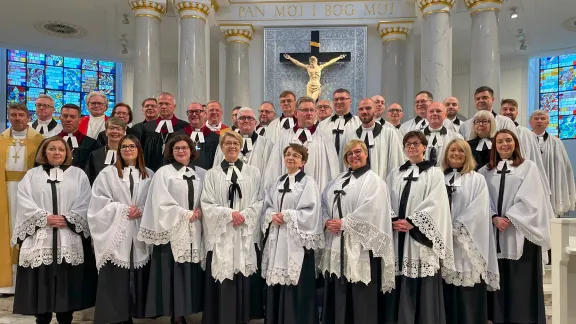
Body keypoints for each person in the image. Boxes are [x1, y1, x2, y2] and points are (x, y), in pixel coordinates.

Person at [11, 136, 96, 323]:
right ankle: (42, 317)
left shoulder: (78, 174)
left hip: (69, 236)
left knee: (67, 283)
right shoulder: (32, 175)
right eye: (52, 149)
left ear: (67, 153)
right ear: (44, 152)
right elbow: (23, 201)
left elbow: (85, 200)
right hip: (41, 236)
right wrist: (44, 217)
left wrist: (68, 218)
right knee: (42, 282)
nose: (57, 152)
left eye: (61, 149)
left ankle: (66, 317)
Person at [478, 129, 552, 324]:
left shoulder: (528, 167)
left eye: (508, 140)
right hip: (494, 231)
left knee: (520, 280)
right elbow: (480, 198)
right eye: (500, 141)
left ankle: (522, 318)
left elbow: (533, 197)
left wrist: (509, 217)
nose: (504, 144)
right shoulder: (485, 171)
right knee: (498, 276)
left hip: (520, 230)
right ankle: (498, 317)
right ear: (494, 146)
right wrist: (494, 217)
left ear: (515, 143)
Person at [320, 139, 396, 324]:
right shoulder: (337, 180)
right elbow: (323, 202)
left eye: (357, 152)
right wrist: (326, 220)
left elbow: (372, 211)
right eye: (349, 154)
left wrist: (344, 223)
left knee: (360, 295)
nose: (354, 156)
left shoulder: (374, 182)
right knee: (338, 292)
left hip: (361, 248)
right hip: (337, 242)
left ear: (366, 153)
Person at [385, 131, 454, 324]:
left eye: (416, 143)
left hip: (419, 237)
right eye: (408, 144)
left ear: (424, 147)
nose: (412, 147)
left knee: (421, 282)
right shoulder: (395, 173)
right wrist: (393, 218)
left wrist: (412, 222)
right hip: (398, 234)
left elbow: (436, 203)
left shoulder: (434, 173)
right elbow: (386, 198)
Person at [138, 134, 205, 322]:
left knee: (191, 271)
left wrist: (202, 210)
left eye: (184, 148)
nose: (181, 151)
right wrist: (184, 213)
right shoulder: (164, 173)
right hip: (173, 229)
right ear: (171, 152)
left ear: (191, 151)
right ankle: (175, 314)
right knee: (174, 272)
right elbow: (160, 202)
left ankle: (187, 310)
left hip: (196, 229)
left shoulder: (201, 173)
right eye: (177, 149)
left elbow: (207, 198)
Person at [88, 135, 154, 324]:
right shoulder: (107, 174)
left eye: (132, 146)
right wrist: (124, 210)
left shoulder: (149, 174)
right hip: (116, 231)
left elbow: (155, 200)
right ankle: (114, 316)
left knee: (140, 273)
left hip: (140, 229)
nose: (127, 149)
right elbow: (98, 202)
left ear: (139, 149)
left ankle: (134, 313)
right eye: (124, 146)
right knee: (115, 275)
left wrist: (141, 210)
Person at [201, 131, 265, 324]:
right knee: (223, 270)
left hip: (244, 230)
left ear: (240, 146)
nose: (231, 146)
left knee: (243, 270)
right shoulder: (212, 174)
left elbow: (260, 199)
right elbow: (207, 202)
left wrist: (244, 215)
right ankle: (220, 316)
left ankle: (242, 316)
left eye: (235, 143)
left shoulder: (253, 172)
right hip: (222, 233)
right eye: (227, 143)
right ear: (221, 147)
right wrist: (229, 214)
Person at [261, 143, 324, 324]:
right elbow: (267, 206)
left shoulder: (308, 182)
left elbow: (312, 212)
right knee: (277, 282)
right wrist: (272, 215)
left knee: (297, 283)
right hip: (277, 239)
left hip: (296, 242)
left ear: (303, 161)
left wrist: (288, 215)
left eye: (295, 155)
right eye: (288, 154)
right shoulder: (278, 182)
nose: (290, 158)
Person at [441, 139, 499, 324]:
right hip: (443, 243)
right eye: (452, 150)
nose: (456, 154)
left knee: (467, 289)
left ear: (467, 155)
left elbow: (479, 210)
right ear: (446, 154)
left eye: (461, 151)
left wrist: (456, 228)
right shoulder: (438, 177)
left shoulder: (476, 179)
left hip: (466, 243)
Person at [0, 103, 44, 295]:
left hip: (29, 193)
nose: (17, 118)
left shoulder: (39, 140)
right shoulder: (1, 139)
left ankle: (26, 283)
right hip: (4, 190)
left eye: (21, 115)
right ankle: (6, 284)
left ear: (28, 117)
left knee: (27, 232)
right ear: (8, 117)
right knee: (5, 233)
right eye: (13, 115)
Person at [265, 96, 340, 191]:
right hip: (287, 194)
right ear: (296, 113)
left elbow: (333, 171)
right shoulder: (283, 137)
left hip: (316, 193)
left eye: (312, 110)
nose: (309, 113)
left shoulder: (325, 139)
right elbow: (274, 167)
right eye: (305, 110)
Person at [500, 99, 551, 199]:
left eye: (512, 109)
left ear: (517, 112)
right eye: (505, 109)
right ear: (500, 111)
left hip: (522, 180)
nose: (508, 112)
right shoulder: (494, 130)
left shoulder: (526, 133)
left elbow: (535, 159)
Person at [342, 98, 404, 177]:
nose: (364, 112)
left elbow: (396, 163)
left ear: (375, 111)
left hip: (382, 185)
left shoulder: (389, 133)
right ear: (358, 112)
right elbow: (347, 166)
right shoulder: (351, 137)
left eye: (368, 108)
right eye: (361, 109)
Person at [530, 110, 576, 216]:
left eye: (543, 118)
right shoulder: (524, 140)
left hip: (551, 182)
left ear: (547, 122)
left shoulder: (556, 142)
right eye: (536, 118)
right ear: (530, 122)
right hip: (531, 181)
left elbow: (564, 166)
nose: (539, 121)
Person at [213, 107, 273, 173]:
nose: (246, 121)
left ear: (255, 122)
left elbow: (270, 171)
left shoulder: (267, 144)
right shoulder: (225, 142)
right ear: (237, 122)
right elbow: (217, 166)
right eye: (242, 118)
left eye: (250, 118)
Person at [140, 92, 189, 171]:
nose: (163, 106)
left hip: (176, 169)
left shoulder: (184, 126)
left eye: (167, 104)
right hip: (151, 168)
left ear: (174, 106)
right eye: (160, 104)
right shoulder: (148, 126)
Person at [56, 104, 101, 169]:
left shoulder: (92, 144)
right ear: (60, 118)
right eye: (65, 116)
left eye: (72, 117)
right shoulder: (50, 142)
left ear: (80, 119)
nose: (68, 119)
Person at [318, 88, 361, 156]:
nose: (338, 102)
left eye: (342, 99)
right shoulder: (322, 125)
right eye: (336, 99)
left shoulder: (359, 123)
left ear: (350, 101)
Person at [178, 102, 220, 170]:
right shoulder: (178, 136)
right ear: (187, 114)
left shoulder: (215, 138)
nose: (194, 114)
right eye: (191, 112)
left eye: (198, 111)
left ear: (205, 114)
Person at [85, 117, 126, 185]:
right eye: (111, 128)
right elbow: (89, 179)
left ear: (124, 132)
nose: (115, 131)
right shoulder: (95, 155)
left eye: (118, 129)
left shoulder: (129, 153)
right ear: (106, 132)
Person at [422, 102, 463, 166]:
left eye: (438, 111)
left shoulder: (456, 137)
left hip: (447, 174)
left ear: (445, 116)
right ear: (426, 115)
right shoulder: (417, 136)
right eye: (431, 111)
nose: (434, 113)